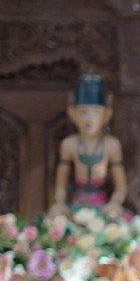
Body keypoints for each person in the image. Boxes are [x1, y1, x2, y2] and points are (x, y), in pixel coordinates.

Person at [53, 72, 128, 213]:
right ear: (72, 113)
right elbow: (60, 184)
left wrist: (115, 202)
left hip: (102, 205)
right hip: (77, 203)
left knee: (115, 217)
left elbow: (121, 187)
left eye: (96, 112)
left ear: (106, 114)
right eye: (83, 112)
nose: (89, 119)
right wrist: (60, 202)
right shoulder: (69, 144)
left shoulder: (112, 145)